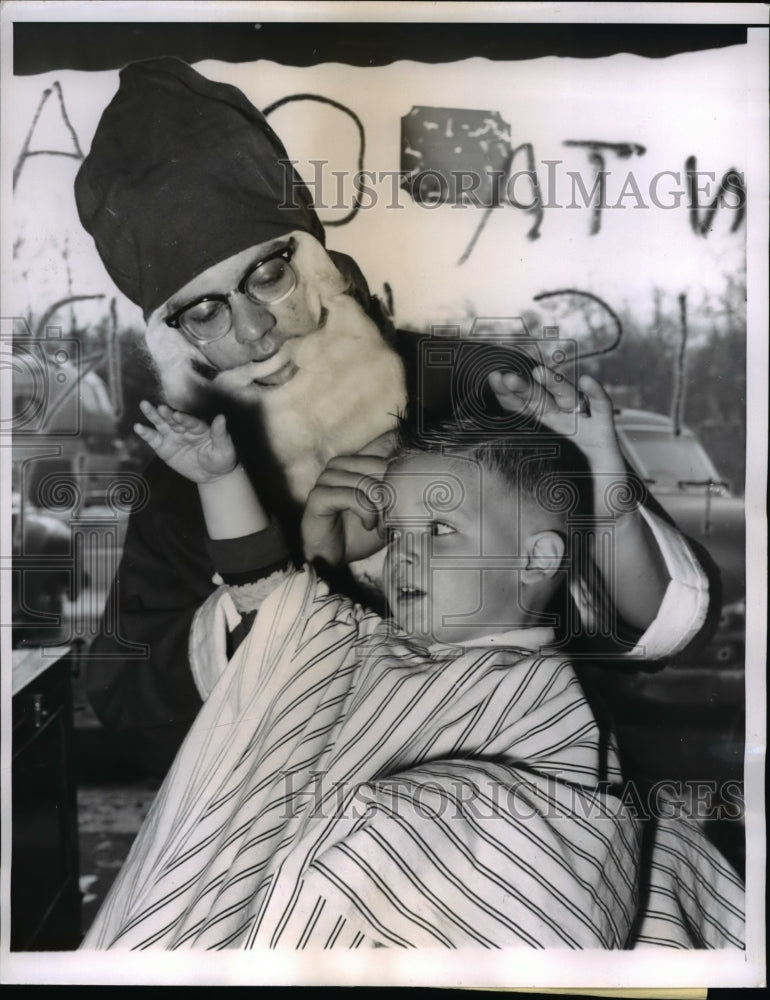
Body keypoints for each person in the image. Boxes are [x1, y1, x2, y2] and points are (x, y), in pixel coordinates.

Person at [75, 57, 720, 776]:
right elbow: (122, 690)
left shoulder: (481, 385)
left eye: (268, 273)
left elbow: (664, 627)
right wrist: (300, 570)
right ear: (178, 339)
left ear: (317, 257)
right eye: (205, 310)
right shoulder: (187, 479)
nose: (256, 329)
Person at [81, 385, 743, 950]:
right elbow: (268, 591)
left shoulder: (544, 696)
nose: (406, 556)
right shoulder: (358, 640)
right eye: (397, 534)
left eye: (440, 531)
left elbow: (563, 863)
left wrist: (396, 827)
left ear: (537, 560)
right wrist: (220, 480)